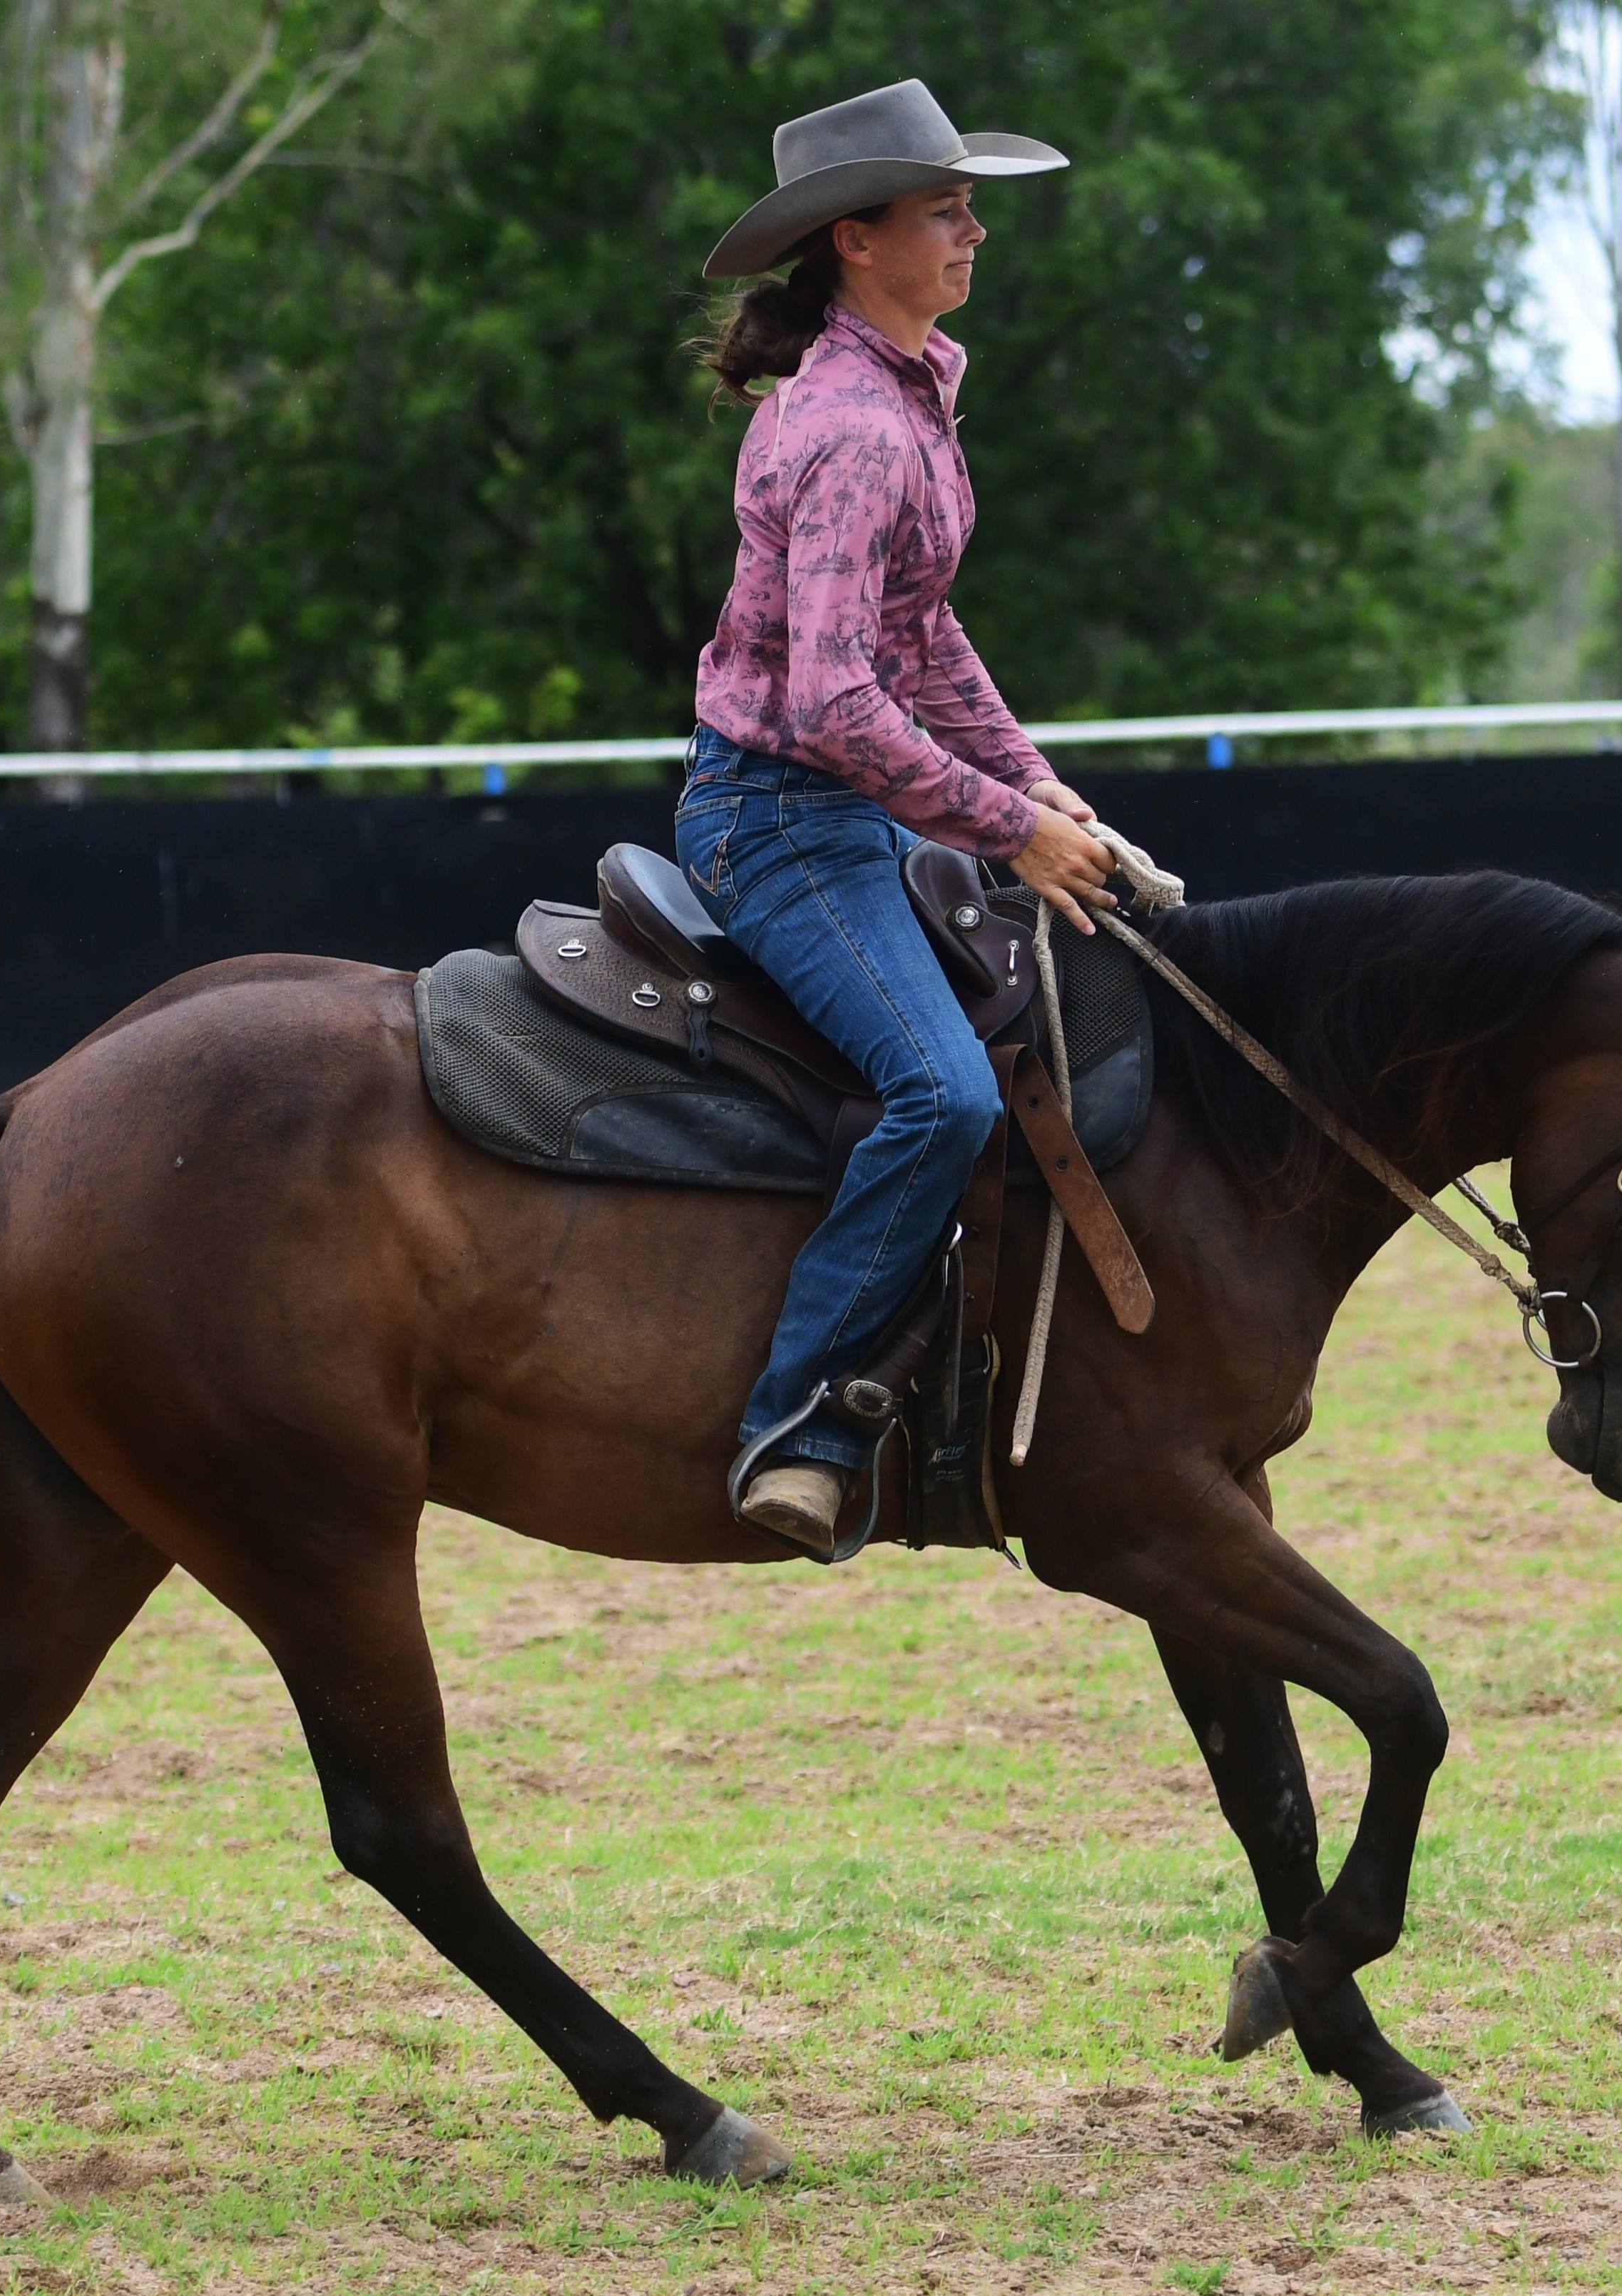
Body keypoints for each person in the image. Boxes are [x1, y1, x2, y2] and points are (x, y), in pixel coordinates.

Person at [685, 79, 1117, 1560]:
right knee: (945, 1095)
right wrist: (1009, 829)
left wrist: (1031, 777)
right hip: (780, 819)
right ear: (856, 241)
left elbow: (922, 636)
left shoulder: (909, 391)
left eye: (970, 208)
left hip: (843, 808)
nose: (974, 233)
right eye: (946, 211)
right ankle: (797, 1425)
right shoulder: (860, 430)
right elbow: (831, 702)